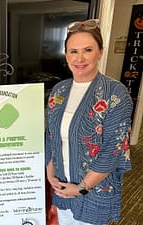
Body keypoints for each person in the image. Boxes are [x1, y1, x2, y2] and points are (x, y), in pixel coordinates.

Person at [45, 19, 133, 225]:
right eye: (73, 51)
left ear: (100, 51)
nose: (80, 58)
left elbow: (113, 149)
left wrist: (82, 187)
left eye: (88, 50)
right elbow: (51, 135)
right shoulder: (59, 91)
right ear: (66, 54)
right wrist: (50, 172)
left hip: (93, 191)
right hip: (63, 186)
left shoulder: (115, 94)